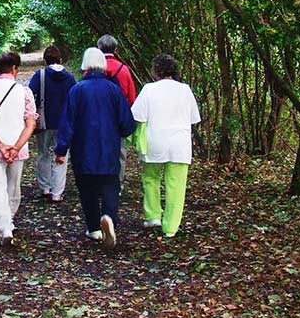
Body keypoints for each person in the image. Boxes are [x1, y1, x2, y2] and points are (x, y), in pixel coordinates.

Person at [55, 48, 135, 249]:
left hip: (84, 149)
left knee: (87, 188)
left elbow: (67, 123)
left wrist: (61, 149)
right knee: (110, 184)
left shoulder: (77, 90)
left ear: (84, 65)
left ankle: (94, 228)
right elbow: (127, 122)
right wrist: (121, 131)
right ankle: (108, 216)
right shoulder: (113, 90)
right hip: (109, 148)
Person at [131, 54, 201, 238]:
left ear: (157, 71)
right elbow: (194, 118)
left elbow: (137, 116)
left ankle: (153, 215)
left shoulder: (149, 89)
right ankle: (170, 227)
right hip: (179, 143)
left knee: (150, 178)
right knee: (176, 185)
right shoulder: (185, 90)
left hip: (154, 141)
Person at [0, 52, 37, 246]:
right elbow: (31, 123)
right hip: (17, 145)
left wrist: (0, 145)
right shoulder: (24, 91)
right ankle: (9, 220)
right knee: (13, 186)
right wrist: (16, 146)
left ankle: (5, 228)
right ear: (14, 69)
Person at [28, 45, 76, 202]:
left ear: (45, 60)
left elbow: (30, 95)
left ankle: (45, 188)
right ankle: (57, 192)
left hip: (44, 122)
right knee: (61, 156)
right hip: (64, 123)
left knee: (43, 154)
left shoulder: (40, 75)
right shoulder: (69, 77)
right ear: (60, 59)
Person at [97, 35, 137, 182]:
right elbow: (132, 98)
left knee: (98, 149)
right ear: (116, 49)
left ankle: (101, 183)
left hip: (98, 117)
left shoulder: (93, 69)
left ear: (99, 49)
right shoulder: (124, 69)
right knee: (120, 151)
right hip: (117, 118)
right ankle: (117, 183)